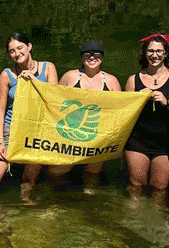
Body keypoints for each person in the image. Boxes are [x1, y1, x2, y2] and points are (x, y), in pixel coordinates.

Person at [0, 33, 58, 194]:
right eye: (12, 51)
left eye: (20, 48)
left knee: (28, 182)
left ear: (29, 47)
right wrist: (0, 142)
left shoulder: (48, 68)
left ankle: (26, 211)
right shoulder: (7, 74)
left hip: (38, 131)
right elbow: (0, 110)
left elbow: (55, 100)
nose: (17, 53)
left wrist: (34, 80)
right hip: (12, 129)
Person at [124, 33, 169, 199]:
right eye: (151, 51)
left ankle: (156, 222)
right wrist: (137, 100)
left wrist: (167, 102)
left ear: (166, 53)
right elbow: (124, 115)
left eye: (159, 51)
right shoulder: (133, 79)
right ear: (145, 53)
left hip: (167, 140)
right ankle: (134, 220)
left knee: (159, 187)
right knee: (136, 184)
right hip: (138, 138)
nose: (155, 55)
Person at [50, 40, 123, 188]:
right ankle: (57, 197)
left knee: (92, 175)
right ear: (82, 58)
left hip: (97, 136)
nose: (91, 57)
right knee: (56, 171)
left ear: (102, 57)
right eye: (87, 54)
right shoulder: (70, 77)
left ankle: (90, 205)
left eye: (96, 54)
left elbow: (121, 109)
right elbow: (53, 100)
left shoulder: (111, 81)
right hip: (69, 134)